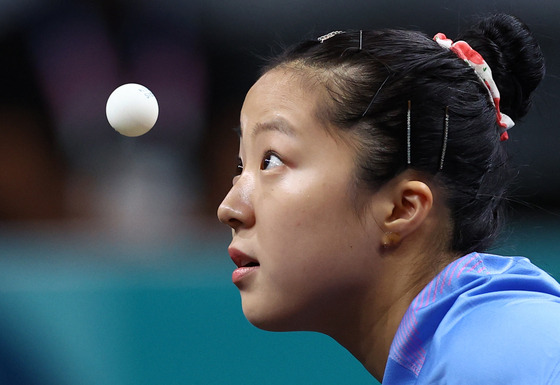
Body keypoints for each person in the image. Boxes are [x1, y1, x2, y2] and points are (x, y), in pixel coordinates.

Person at [217, 13, 560, 384]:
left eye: (271, 160)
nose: (230, 208)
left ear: (401, 208)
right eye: (240, 165)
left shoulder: (501, 357)